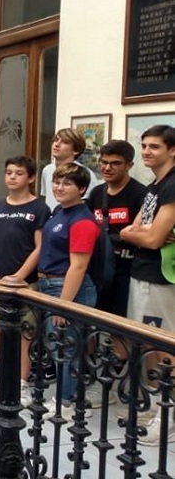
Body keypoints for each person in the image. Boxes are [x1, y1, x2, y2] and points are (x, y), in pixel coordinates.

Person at [0, 156, 50, 405]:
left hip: (25, 283)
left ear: (30, 178)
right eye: (9, 172)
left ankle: (22, 383)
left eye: (18, 173)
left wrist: (19, 275)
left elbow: (40, 247)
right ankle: (4, 379)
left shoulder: (39, 208)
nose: (12, 177)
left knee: (24, 332)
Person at [119, 124, 175, 445]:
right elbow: (131, 229)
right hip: (140, 273)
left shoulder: (173, 185)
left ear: (172, 150)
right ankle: (155, 404)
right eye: (144, 146)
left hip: (161, 278)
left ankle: (168, 412)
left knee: (162, 346)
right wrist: (133, 233)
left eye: (154, 147)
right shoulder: (155, 185)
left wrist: (136, 234)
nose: (146, 152)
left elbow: (152, 238)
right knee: (145, 343)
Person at [37, 162, 99, 419]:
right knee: (57, 347)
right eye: (57, 182)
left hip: (66, 288)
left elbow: (79, 266)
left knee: (66, 348)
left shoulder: (82, 220)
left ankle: (67, 402)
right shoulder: (58, 212)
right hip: (49, 285)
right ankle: (68, 395)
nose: (59, 187)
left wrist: (64, 304)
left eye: (67, 183)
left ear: (82, 188)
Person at [86, 140, 145, 318]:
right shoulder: (96, 193)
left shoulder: (139, 193)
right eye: (104, 162)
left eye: (115, 163)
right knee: (90, 322)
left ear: (129, 165)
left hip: (126, 273)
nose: (107, 168)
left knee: (120, 329)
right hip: (97, 271)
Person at [40, 128, 101, 211]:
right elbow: (47, 198)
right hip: (52, 220)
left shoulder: (84, 173)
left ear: (76, 150)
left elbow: (93, 203)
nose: (56, 144)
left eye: (65, 142)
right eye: (56, 140)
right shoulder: (47, 170)